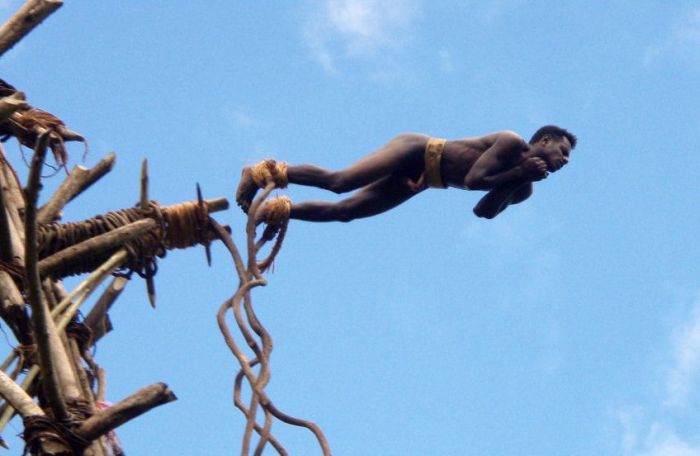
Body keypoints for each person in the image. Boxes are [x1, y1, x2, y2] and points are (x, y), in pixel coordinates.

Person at [235, 125, 577, 222]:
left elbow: (483, 211)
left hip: (424, 180)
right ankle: (262, 172)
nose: (565, 160)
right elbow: (474, 180)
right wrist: (518, 169)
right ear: (543, 140)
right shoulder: (512, 143)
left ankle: (273, 212)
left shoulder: (524, 186)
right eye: (562, 151)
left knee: (347, 212)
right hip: (417, 149)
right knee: (340, 182)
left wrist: (521, 179)